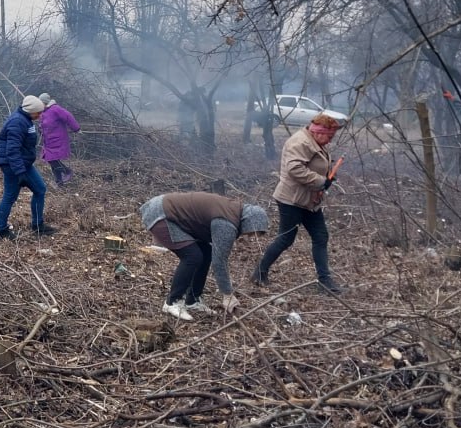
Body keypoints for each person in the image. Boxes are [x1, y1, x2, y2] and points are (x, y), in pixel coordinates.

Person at [140, 191, 270, 320]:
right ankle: (172, 302)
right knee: (192, 256)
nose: (250, 237)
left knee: (206, 253)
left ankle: (192, 300)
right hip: (160, 214)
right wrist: (227, 294)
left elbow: (214, 253)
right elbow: (219, 261)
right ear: (248, 222)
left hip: (165, 210)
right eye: (252, 233)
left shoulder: (233, 212)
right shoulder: (226, 223)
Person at [252, 113, 344, 293]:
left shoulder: (315, 141)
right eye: (329, 136)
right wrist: (320, 181)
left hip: (309, 200)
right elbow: (294, 169)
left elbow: (313, 166)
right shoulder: (300, 142)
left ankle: (325, 281)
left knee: (320, 236)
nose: (330, 140)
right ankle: (259, 272)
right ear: (318, 132)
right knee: (286, 238)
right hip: (291, 200)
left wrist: (326, 178)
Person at [0, 94, 56, 239]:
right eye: (39, 113)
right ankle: (1, 230)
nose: (40, 115)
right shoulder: (17, 122)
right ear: (31, 111)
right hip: (13, 165)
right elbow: (12, 150)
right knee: (10, 196)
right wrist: (20, 172)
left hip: (23, 164)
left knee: (40, 189)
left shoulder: (26, 120)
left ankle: (38, 225)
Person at [38, 93, 80, 186]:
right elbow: (45, 125)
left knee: (52, 159)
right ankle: (59, 182)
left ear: (44, 102)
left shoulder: (55, 109)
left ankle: (67, 171)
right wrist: (40, 128)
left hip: (58, 139)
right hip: (49, 141)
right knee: (52, 160)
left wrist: (76, 128)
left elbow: (68, 117)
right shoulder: (44, 112)